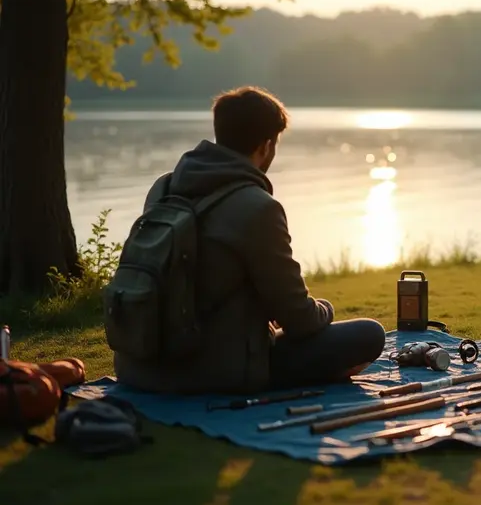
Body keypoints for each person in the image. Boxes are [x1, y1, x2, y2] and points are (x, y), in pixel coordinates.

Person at [112, 86, 386, 395]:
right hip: (215, 372)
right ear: (266, 146)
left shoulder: (163, 188)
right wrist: (325, 308)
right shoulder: (258, 208)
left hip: (137, 366)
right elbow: (300, 320)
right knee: (369, 334)